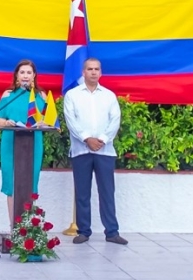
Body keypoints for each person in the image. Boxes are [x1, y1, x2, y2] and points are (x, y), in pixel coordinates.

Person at [63, 58, 128, 245]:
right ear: (83, 72)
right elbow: (71, 121)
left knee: (107, 192)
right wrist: (86, 139)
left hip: (105, 150)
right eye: (89, 69)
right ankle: (83, 231)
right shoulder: (73, 95)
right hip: (81, 150)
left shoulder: (109, 96)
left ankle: (112, 232)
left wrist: (102, 140)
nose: (93, 72)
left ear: (101, 72)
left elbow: (115, 120)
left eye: (96, 69)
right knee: (82, 192)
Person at [0, 59, 46, 228]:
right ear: (17, 75)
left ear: (34, 76)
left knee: (31, 182)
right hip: (11, 143)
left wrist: (42, 123)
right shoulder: (8, 95)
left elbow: (47, 120)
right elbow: (0, 120)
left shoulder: (40, 96)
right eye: (22, 72)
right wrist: (7, 123)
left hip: (33, 144)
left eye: (29, 72)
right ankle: (14, 227)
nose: (25, 75)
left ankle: (28, 227)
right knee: (12, 183)